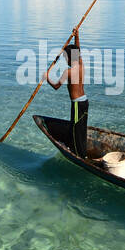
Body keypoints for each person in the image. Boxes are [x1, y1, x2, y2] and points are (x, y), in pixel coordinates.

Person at [46, 28, 89, 157]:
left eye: (65, 57)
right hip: (85, 101)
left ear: (70, 57)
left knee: (76, 130)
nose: (64, 59)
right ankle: (82, 152)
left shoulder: (68, 72)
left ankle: (78, 155)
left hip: (76, 105)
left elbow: (56, 86)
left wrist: (47, 77)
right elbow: (77, 49)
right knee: (81, 129)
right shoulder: (81, 65)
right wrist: (77, 35)